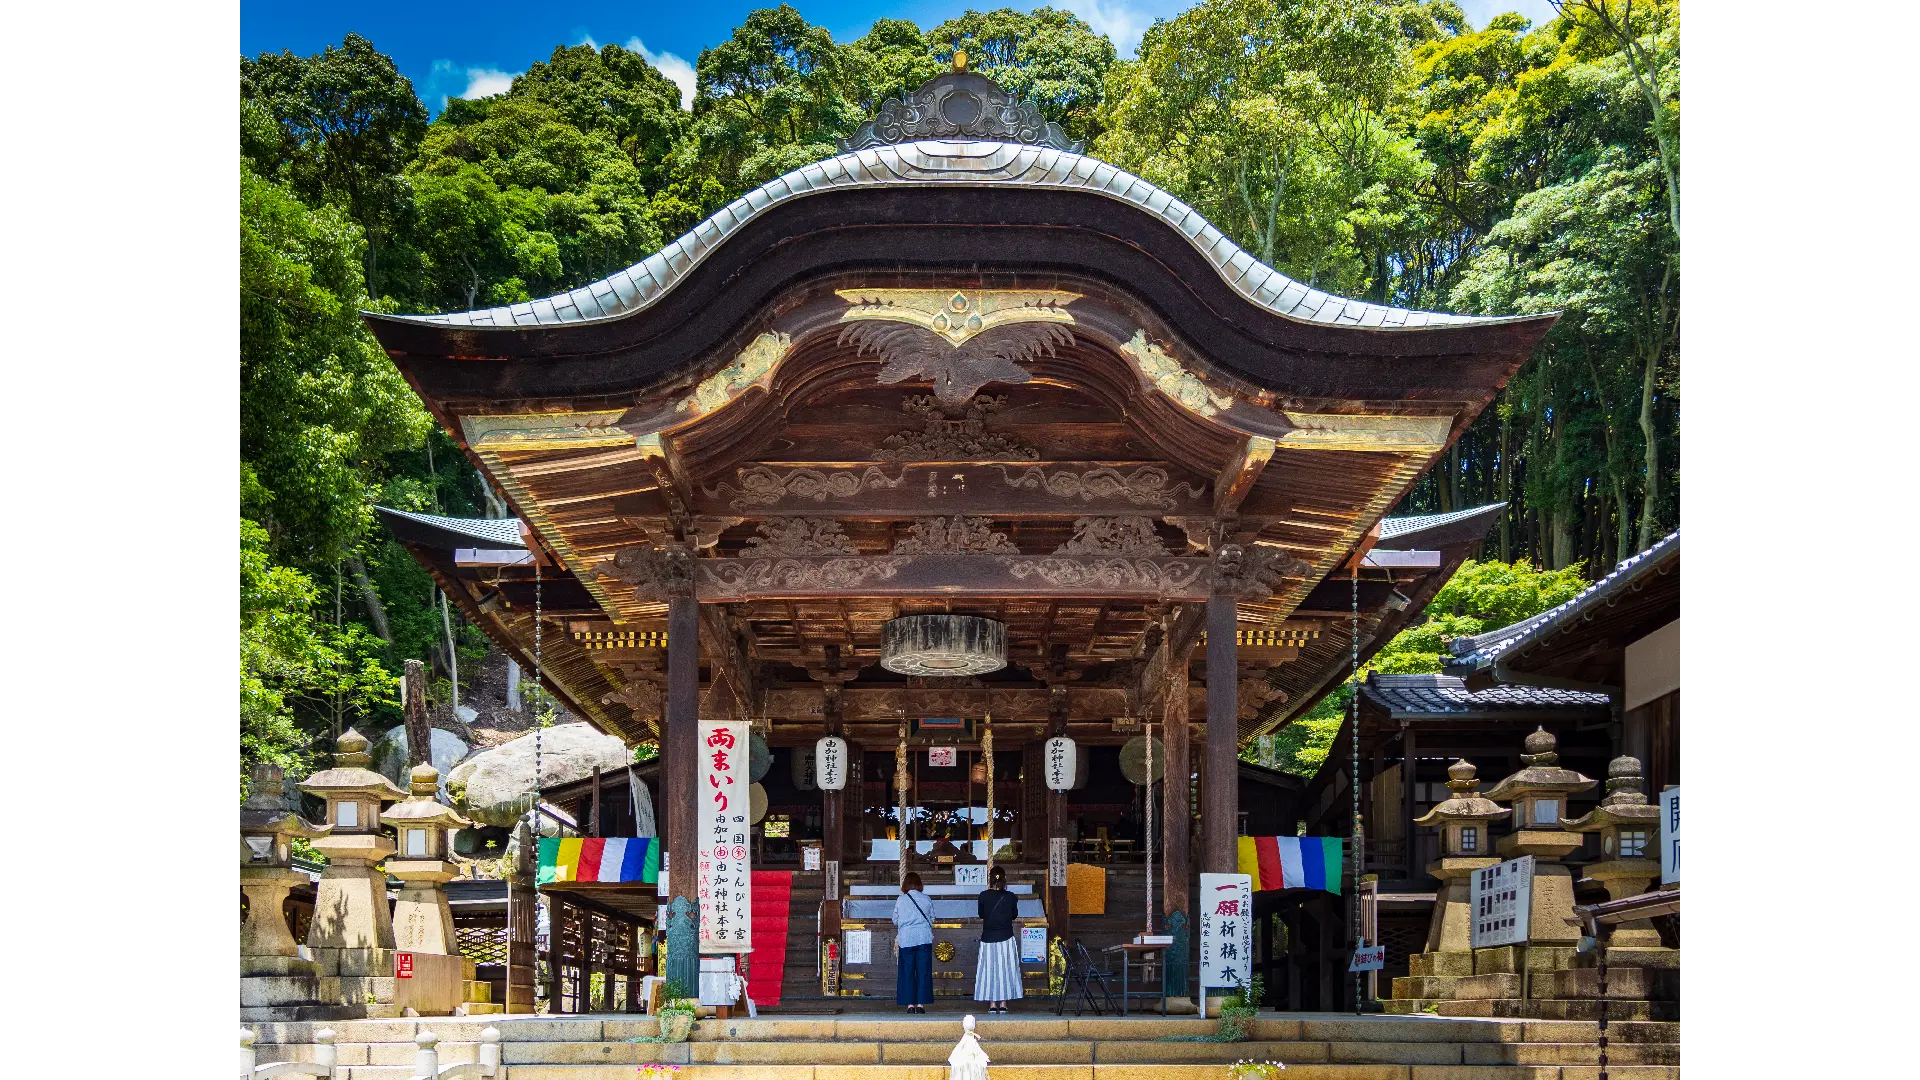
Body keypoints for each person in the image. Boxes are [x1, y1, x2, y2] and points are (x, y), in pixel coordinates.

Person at [973, 864, 1023, 1013]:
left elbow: (981, 914)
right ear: (1004, 879)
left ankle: (992, 1004)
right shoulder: (1011, 896)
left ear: (990, 880)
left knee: (989, 970)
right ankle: (1003, 1003)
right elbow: (1014, 915)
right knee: (1006, 970)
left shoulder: (983, 895)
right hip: (1006, 937)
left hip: (988, 937)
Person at [893, 871, 935, 1014]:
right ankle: (921, 1005)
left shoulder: (901, 900)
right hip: (923, 938)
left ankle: (910, 1005)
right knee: (924, 971)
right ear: (919, 884)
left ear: (905, 884)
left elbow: (895, 920)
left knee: (907, 972)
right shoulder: (926, 899)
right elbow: (932, 918)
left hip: (906, 940)